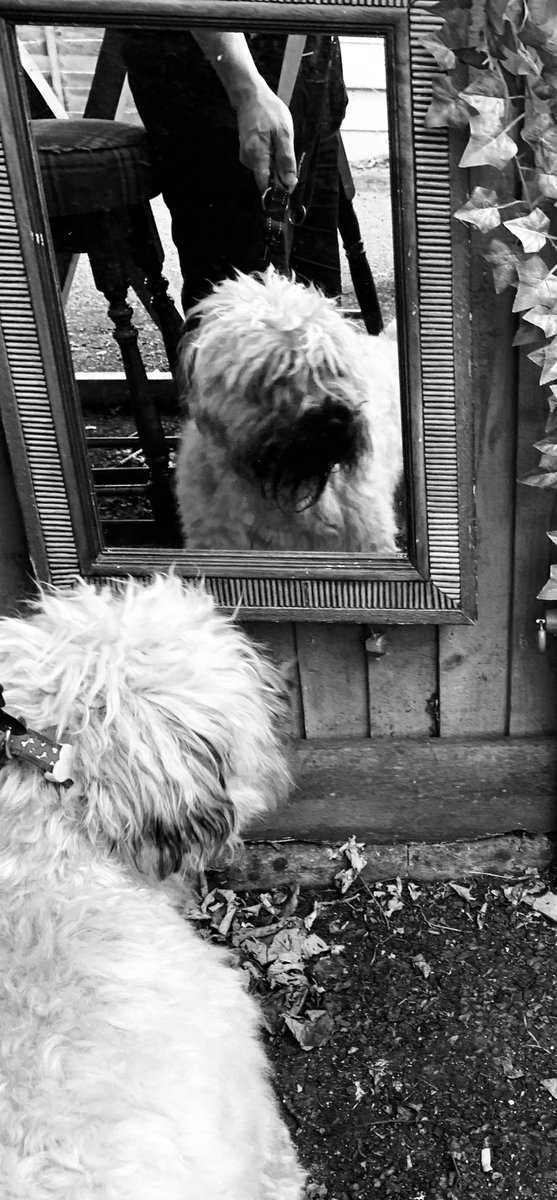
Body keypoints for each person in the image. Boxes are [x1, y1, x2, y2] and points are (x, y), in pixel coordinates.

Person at [118, 28, 348, 312]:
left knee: (319, 298)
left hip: (306, 60)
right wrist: (246, 90)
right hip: (212, 74)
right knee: (237, 303)